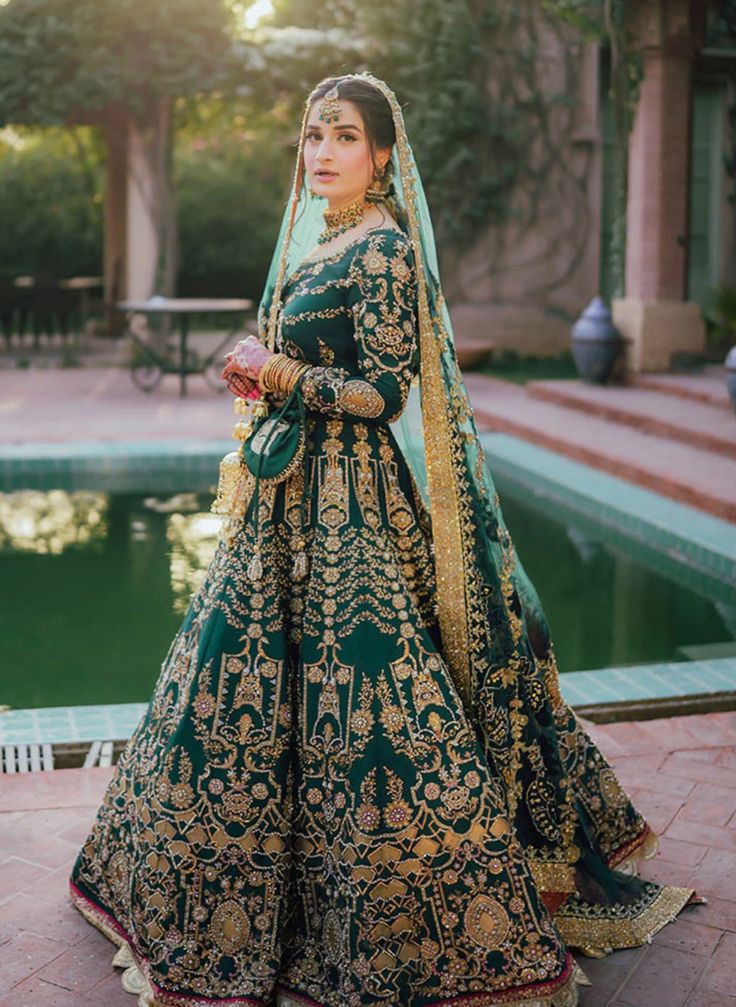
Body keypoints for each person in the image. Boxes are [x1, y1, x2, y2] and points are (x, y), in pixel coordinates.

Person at [70, 72, 698, 1007]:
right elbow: (299, 355)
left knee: (369, 697)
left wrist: (279, 372)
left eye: (344, 136)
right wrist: (259, 370)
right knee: (234, 681)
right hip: (287, 497)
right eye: (314, 134)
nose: (322, 151)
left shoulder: (386, 251)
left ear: (382, 154)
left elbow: (383, 393)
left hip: (351, 504)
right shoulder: (320, 239)